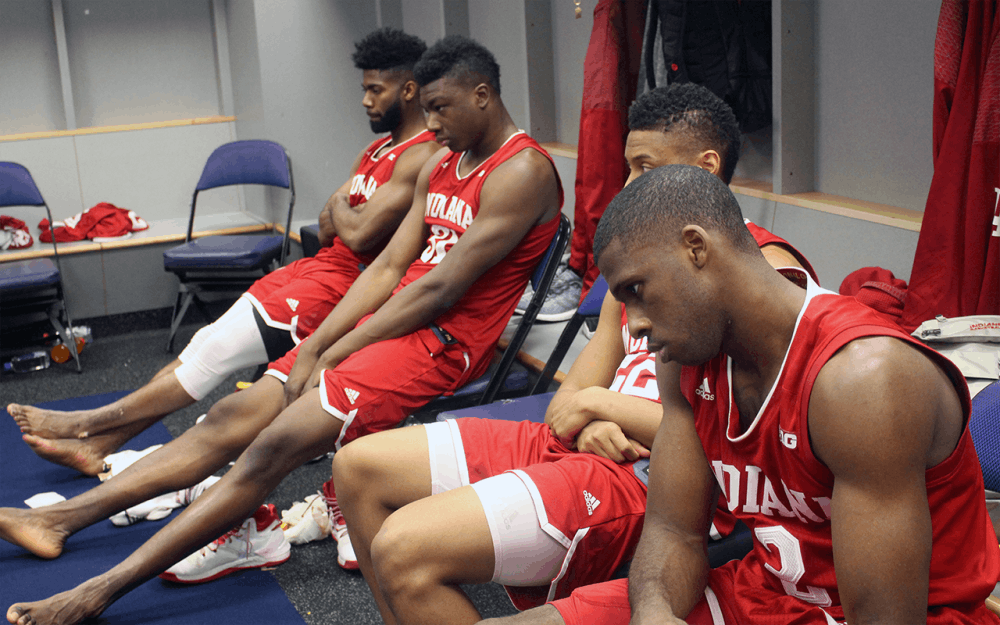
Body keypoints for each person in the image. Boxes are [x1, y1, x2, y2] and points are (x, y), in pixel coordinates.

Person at [3, 34, 562, 625]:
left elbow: (437, 288)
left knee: (268, 449)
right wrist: (316, 345)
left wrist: (328, 349)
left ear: (483, 95)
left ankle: (99, 591)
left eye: (441, 108)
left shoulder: (522, 170)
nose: (430, 122)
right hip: (384, 327)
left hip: (438, 344)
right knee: (227, 419)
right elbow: (389, 270)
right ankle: (56, 520)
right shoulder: (443, 163)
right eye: (426, 109)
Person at [332, 82, 818, 625]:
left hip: (645, 473)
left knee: (406, 549)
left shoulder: (762, 278)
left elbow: (738, 442)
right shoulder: (642, 254)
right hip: (584, 440)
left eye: (643, 166)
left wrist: (600, 407)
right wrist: (587, 416)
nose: (628, 184)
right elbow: (567, 403)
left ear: (705, 167)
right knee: (357, 468)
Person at [482, 165, 1000, 625]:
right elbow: (674, 531)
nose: (634, 326)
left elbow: (884, 618)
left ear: (696, 247)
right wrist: (656, 612)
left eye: (636, 290)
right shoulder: (683, 363)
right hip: (764, 596)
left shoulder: (861, 380)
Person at [5, 26, 438, 477]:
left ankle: (88, 423)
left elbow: (360, 233)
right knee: (203, 344)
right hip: (315, 268)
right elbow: (329, 224)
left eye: (375, 90)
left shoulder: (418, 156)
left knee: (215, 355)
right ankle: (101, 444)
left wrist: (348, 215)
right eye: (364, 89)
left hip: (347, 286)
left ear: (408, 90)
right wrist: (348, 217)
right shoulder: (376, 150)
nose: (366, 100)